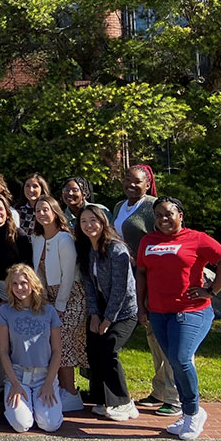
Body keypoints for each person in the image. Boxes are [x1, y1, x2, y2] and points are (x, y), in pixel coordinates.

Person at [136, 197, 221, 440]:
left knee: (181, 360)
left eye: (168, 214)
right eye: (158, 215)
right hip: (159, 312)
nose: (163, 219)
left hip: (191, 311)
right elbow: (141, 273)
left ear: (181, 215)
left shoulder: (197, 238)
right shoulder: (148, 241)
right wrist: (141, 306)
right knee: (173, 361)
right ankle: (186, 412)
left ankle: (193, 412)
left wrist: (211, 290)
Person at [113, 163, 178, 415]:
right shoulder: (120, 206)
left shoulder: (153, 207)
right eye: (127, 179)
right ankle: (160, 390)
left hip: (153, 278)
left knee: (166, 338)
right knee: (152, 336)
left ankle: (174, 396)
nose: (131, 184)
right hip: (131, 279)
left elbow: (167, 236)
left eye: (137, 181)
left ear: (148, 183)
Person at [77, 205, 140, 422]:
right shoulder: (86, 250)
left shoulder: (116, 250)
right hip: (101, 308)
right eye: (83, 221)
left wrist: (107, 319)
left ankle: (124, 402)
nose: (88, 225)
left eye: (93, 220)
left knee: (109, 347)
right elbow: (89, 287)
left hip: (123, 311)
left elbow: (121, 289)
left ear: (103, 222)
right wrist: (94, 315)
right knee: (94, 348)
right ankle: (104, 400)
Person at [30, 196, 88, 412]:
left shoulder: (64, 239)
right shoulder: (36, 239)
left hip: (71, 296)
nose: (41, 214)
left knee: (63, 342)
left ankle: (71, 393)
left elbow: (69, 275)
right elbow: (38, 272)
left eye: (46, 209)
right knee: (53, 343)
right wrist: (43, 301)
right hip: (49, 297)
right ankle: (62, 388)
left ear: (55, 212)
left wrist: (60, 306)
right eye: (38, 210)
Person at [0, 264, 63, 433]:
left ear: (33, 283)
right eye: (15, 284)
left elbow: (56, 351)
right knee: (21, 425)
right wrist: (14, 383)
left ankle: (39, 406)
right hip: (18, 375)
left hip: (44, 376)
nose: (20, 288)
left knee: (50, 424)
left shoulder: (49, 311)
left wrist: (49, 382)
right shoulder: (5, 311)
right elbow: (3, 351)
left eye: (24, 282)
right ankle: (22, 408)